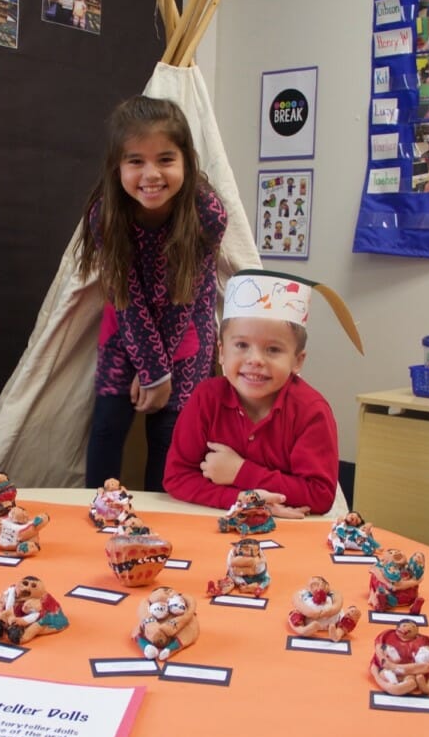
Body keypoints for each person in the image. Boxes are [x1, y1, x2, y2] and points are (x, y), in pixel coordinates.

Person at [75, 95, 228, 493]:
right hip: (127, 328)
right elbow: (127, 299)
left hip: (186, 330)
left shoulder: (206, 213)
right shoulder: (106, 216)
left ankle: (158, 525)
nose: (151, 174)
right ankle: (100, 510)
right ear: (117, 166)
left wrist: (160, 374)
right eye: (135, 161)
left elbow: (184, 299)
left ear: (186, 162)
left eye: (165, 159)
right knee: (108, 424)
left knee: (170, 434)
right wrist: (150, 369)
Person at [162, 270, 343, 517]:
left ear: (297, 361)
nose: (255, 360)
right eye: (242, 345)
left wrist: (240, 472)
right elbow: (176, 477)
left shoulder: (311, 411)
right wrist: (245, 500)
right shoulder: (206, 398)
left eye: (273, 349)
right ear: (222, 351)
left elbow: (319, 495)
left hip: (291, 534)